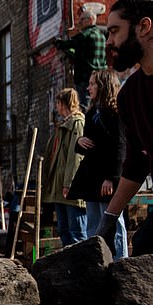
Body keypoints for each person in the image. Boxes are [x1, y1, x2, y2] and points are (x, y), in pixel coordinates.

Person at [97, 0, 153, 256]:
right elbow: (136, 163)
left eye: (114, 31)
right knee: (145, 244)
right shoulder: (130, 95)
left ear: (144, 27)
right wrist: (109, 218)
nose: (109, 41)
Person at [67, 69, 128, 260]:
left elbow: (120, 147)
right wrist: (79, 143)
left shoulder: (116, 112)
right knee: (93, 224)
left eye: (93, 83)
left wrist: (112, 178)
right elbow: (91, 144)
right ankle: (98, 262)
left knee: (114, 222)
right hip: (92, 178)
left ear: (103, 85)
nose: (89, 87)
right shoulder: (93, 111)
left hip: (107, 178)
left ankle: (121, 263)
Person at [42, 88, 87, 246]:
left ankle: (82, 268)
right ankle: (69, 267)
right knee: (64, 230)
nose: (57, 107)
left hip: (70, 189)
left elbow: (76, 157)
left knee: (77, 233)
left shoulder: (77, 124)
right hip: (60, 188)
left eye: (58, 103)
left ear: (62, 104)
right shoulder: (64, 126)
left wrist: (70, 183)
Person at [55, 10, 108, 109]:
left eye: (82, 20)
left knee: (85, 107)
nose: (79, 23)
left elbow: (68, 44)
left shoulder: (84, 35)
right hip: (102, 77)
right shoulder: (102, 35)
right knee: (101, 105)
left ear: (90, 20)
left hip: (85, 78)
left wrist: (58, 43)